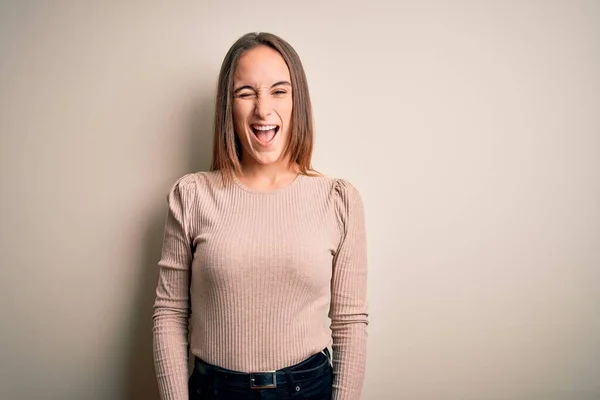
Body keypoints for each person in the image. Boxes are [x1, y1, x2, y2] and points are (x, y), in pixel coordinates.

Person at [152, 32, 368, 400]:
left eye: (279, 91)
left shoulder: (339, 200)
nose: (263, 110)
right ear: (227, 106)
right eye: (246, 92)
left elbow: (350, 324)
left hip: (308, 389)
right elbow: (169, 315)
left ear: (297, 101)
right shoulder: (190, 196)